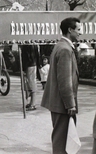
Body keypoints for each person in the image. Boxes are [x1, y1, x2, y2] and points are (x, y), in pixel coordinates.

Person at [41, 17, 81, 154]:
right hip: (63, 103)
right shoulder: (65, 49)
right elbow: (65, 80)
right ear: (70, 30)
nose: (80, 33)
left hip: (58, 102)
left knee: (61, 138)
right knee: (62, 141)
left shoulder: (60, 46)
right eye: (78, 30)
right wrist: (70, 104)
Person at [22, 44, 40, 111]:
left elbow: (25, 57)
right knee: (31, 83)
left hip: (29, 65)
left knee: (31, 84)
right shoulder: (34, 43)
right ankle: (32, 103)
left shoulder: (26, 45)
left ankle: (33, 104)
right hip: (33, 64)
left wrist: (23, 68)